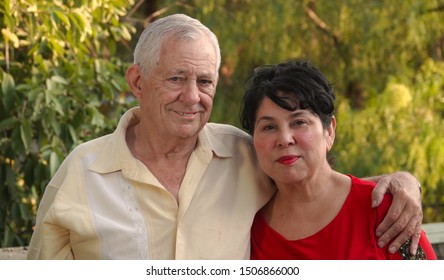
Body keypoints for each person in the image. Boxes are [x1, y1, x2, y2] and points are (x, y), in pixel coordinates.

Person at [27, 14, 422, 260]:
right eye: (176, 78)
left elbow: (312, 183)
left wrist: (403, 184)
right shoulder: (82, 173)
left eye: (205, 81)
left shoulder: (243, 153)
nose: (192, 96)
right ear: (138, 81)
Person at [240, 60, 436, 260]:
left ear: (329, 131)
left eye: (299, 122)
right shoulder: (245, 230)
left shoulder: (386, 212)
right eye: (269, 127)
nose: (284, 139)